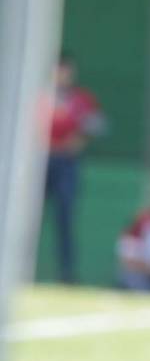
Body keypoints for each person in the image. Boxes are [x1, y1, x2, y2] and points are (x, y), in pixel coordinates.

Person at [46, 52, 106, 284]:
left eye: (66, 70)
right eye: (59, 69)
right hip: (39, 162)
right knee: (28, 219)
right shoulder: (41, 95)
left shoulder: (81, 99)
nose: (63, 75)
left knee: (65, 219)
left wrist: (80, 138)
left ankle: (66, 274)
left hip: (66, 164)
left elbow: (99, 124)